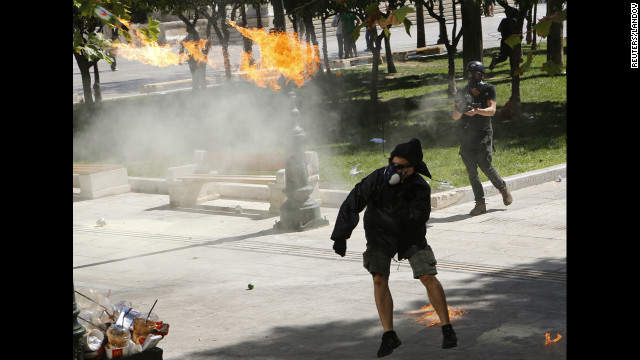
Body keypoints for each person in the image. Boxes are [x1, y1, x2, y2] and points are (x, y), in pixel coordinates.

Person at [331, 138, 458, 357]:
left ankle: (447, 328)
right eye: (393, 164)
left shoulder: (419, 187)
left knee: (427, 276)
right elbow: (354, 201)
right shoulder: (377, 178)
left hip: (410, 235)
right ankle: (389, 335)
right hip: (379, 233)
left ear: (411, 169)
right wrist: (341, 235)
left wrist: (399, 208)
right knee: (378, 277)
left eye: (400, 167)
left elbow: (420, 217)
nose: (394, 169)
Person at [452, 61, 512, 216]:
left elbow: (491, 110)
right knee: (472, 171)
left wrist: (476, 110)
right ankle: (480, 203)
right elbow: (454, 116)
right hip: (467, 135)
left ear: (482, 75)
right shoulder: (462, 91)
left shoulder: (489, 89)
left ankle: (502, 188)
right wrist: (461, 110)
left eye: (476, 74)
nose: (473, 77)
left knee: (485, 164)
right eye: (470, 74)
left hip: (484, 133)